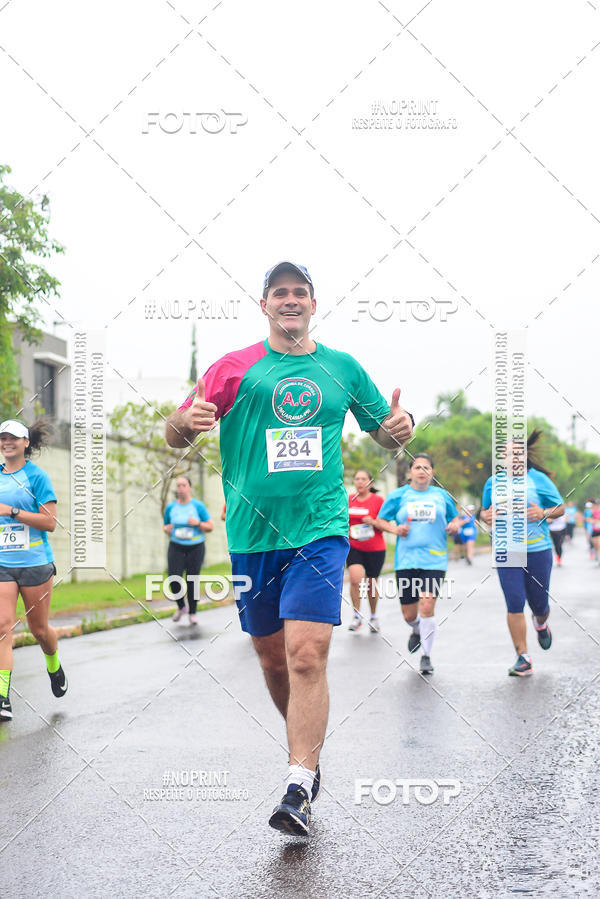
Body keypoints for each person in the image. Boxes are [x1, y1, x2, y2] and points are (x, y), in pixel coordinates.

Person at [165, 261, 414, 835]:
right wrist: (184, 421)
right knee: (273, 659)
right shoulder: (233, 367)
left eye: (300, 291)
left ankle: (298, 783)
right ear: (265, 305)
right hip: (252, 535)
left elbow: (383, 429)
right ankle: (309, 751)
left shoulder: (341, 367)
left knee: (306, 654)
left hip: (319, 528)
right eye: (280, 293)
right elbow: (175, 434)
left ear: (314, 303)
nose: (291, 300)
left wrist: (400, 426)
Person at [480, 430, 564, 677]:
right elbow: (484, 512)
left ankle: (540, 623)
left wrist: (543, 513)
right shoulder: (492, 482)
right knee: (514, 602)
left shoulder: (538, 479)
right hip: (507, 550)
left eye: (519, 453)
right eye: (509, 454)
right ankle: (523, 657)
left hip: (538, 550)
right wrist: (486, 516)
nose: (515, 457)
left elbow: (560, 507)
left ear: (525, 456)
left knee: (539, 605)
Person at [0, 419, 66, 722]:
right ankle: (3, 697)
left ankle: (53, 663)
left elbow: (50, 522)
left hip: (35, 563)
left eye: (13, 437)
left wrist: (12, 511)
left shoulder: (37, 476)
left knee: (39, 630)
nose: (6, 442)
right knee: (3, 627)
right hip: (3, 563)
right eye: (3, 438)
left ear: (26, 442)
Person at [374, 453, 460, 675]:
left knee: (427, 605)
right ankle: (416, 629)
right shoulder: (398, 495)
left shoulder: (441, 495)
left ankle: (426, 656)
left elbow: (455, 518)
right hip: (406, 560)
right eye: (418, 467)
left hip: (435, 559)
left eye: (426, 468)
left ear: (432, 472)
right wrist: (395, 529)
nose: (422, 471)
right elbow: (381, 520)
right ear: (410, 472)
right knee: (409, 615)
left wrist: (454, 525)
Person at [163, 476, 213, 625]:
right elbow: (165, 526)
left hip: (195, 546)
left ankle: (193, 612)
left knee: (192, 579)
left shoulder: (198, 506)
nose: (180, 488)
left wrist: (198, 523)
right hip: (176, 545)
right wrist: (166, 529)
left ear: (190, 487)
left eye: (183, 485)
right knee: (173, 577)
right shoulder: (171, 507)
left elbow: (210, 526)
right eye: (178, 485)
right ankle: (181, 607)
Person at [346, 469, 387, 634]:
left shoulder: (378, 501)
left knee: (371, 583)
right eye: (357, 479)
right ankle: (356, 616)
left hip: (375, 548)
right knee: (355, 579)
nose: (360, 482)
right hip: (354, 546)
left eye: (364, 479)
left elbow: (386, 524)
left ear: (370, 483)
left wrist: (374, 522)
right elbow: (340, 520)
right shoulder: (348, 500)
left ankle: (374, 616)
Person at [591, 499, 600, 565]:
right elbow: (588, 519)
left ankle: (599, 559)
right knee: (595, 544)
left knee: (599, 544)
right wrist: (594, 521)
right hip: (594, 530)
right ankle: (596, 553)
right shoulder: (592, 512)